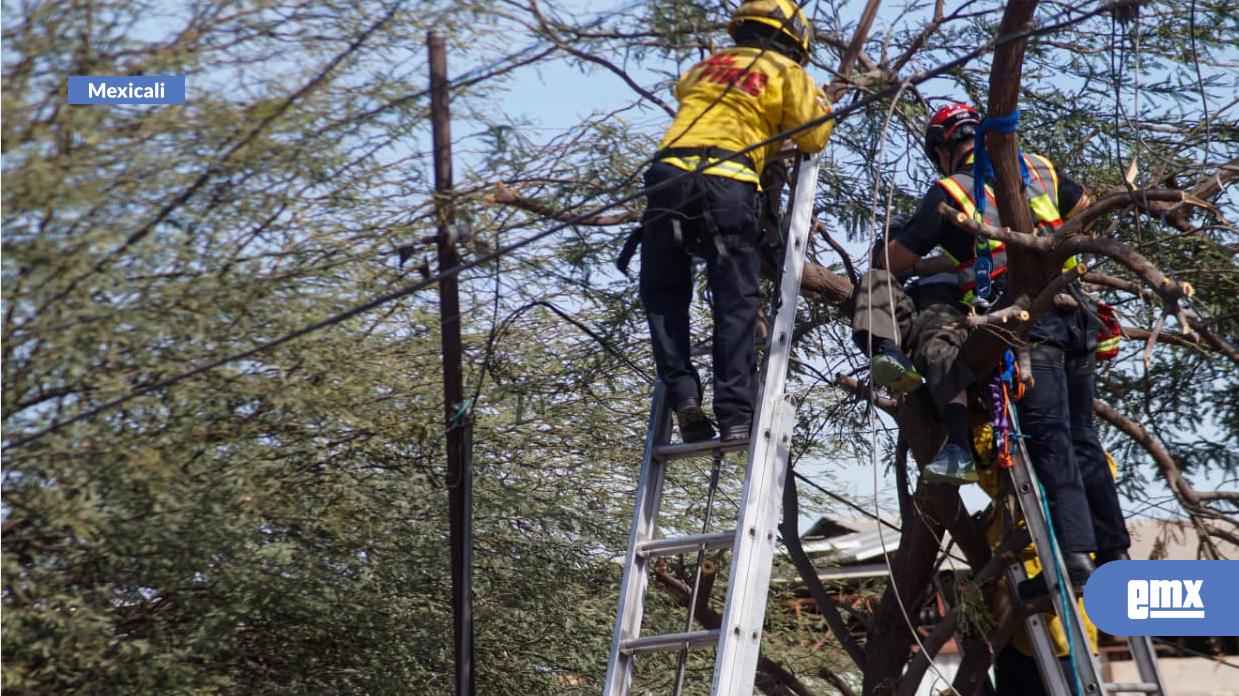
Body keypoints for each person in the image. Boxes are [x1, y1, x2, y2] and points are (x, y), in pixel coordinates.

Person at [850, 102, 1130, 594]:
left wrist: (895, 252)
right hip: (1076, 314)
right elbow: (1085, 210)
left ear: (941, 149)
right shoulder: (1037, 168)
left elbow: (894, 260)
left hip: (1030, 324)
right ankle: (1114, 553)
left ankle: (1074, 563)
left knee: (1052, 440)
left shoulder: (950, 191)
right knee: (1084, 438)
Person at [628, 0, 834, 442]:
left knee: (663, 290)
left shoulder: (704, 68)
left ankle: (683, 395)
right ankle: (736, 415)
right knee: (735, 299)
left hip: (667, 176)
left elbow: (686, 95)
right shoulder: (786, 72)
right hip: (729, 180)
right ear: (795, 42)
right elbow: (812, 135)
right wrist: (816, 99)